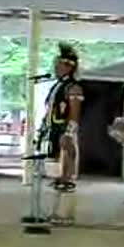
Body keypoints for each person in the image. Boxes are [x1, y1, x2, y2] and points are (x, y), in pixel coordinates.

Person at [41, 42, 84, 192]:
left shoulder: (73, 87)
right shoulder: (58, 85)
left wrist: (69, 131)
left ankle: (68, 179)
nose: (56, 68)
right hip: (55, 124)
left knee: (67, 149)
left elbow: (75, 111)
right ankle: (61, 177)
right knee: (58, 152)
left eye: (59, 65)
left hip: (64, 125)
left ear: (69, 67)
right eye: (56, 65)